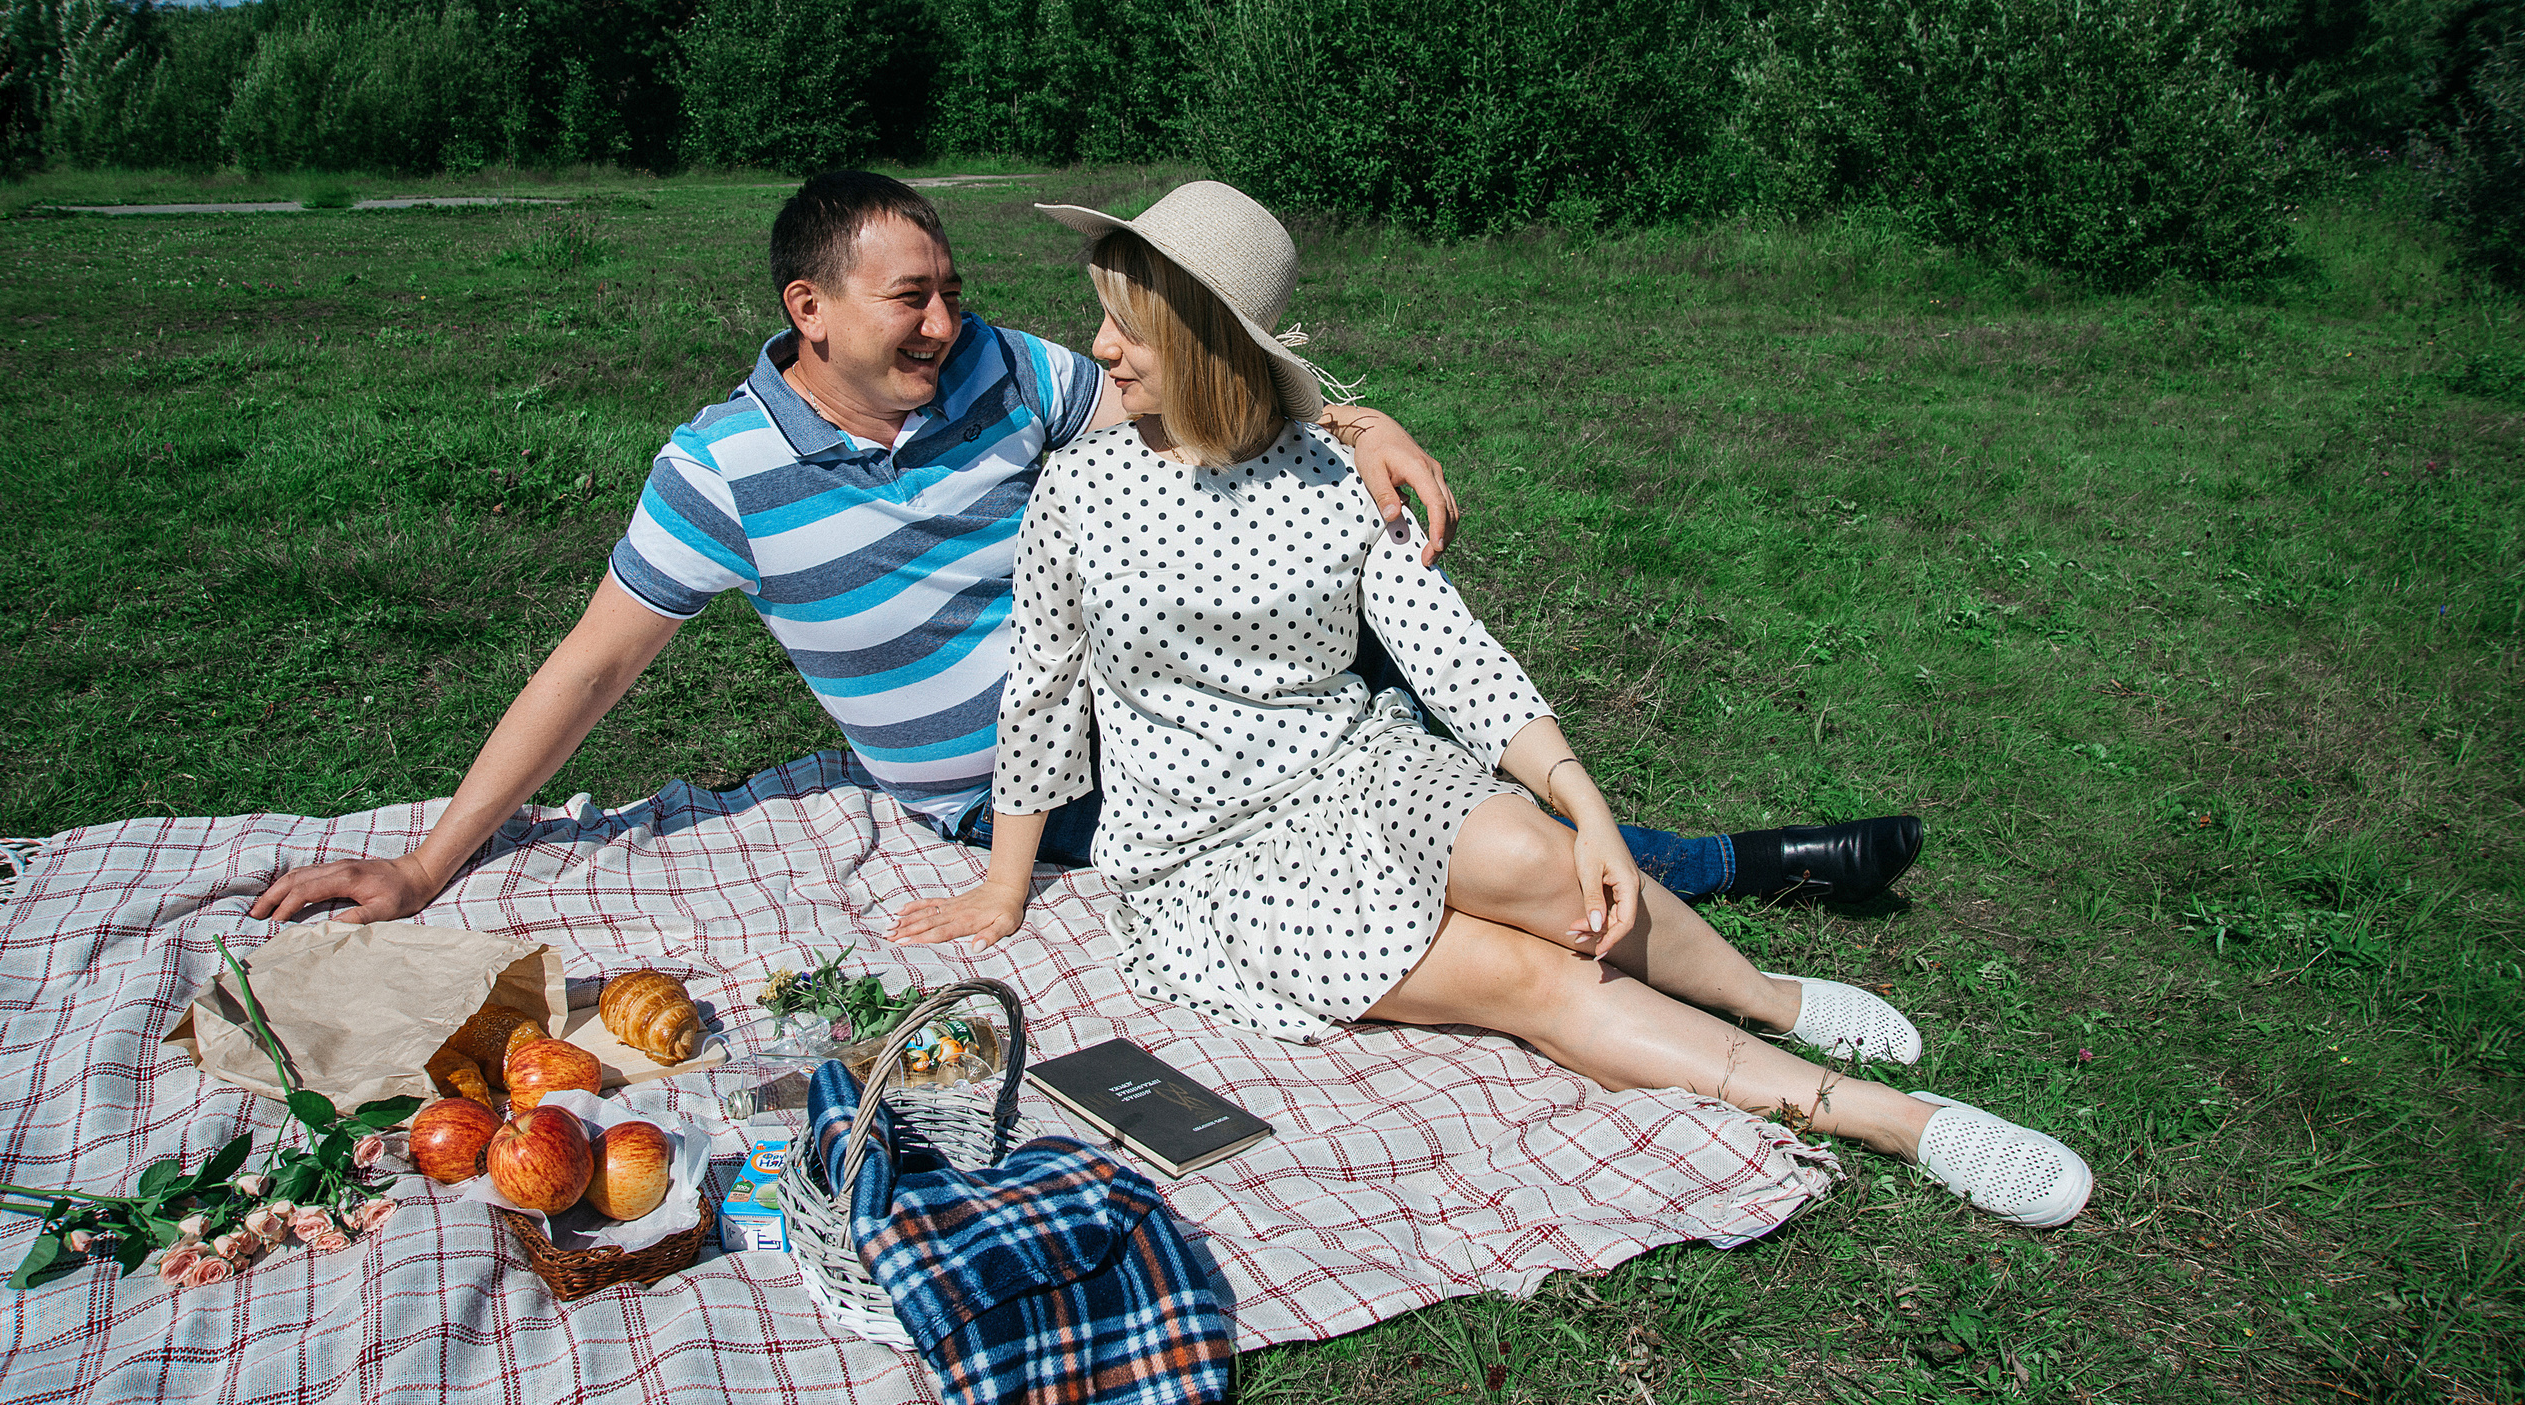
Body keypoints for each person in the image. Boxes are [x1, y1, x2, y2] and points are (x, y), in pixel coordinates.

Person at [252, 173, 1912, 927]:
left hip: (1187, 683)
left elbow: (1197, 397)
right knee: (1431, 847)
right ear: (807, 311)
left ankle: (1647, 848)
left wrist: (1357, 420)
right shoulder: (724, 471)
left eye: (959, 285)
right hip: (1045, 783)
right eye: (914, 296)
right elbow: (595, 663)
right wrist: (425, 862)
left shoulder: (1006, 377)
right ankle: (1737, 866)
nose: (956, 320)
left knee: (1395, 665)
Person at [893, 182, 2090, 1226]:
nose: (1098, 346)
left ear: (1206, 339)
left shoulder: (1331, 474)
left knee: (1544, 858)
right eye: (1100, 313)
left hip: (1353, 764)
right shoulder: (1079, 486)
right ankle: (1892, 1119)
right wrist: (1004, 886)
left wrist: (1587, 800)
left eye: (1128, 322)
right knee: (1529, 981)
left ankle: (1769, 997)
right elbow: (1041, 694)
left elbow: (1452, 650)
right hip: (1207, 854)